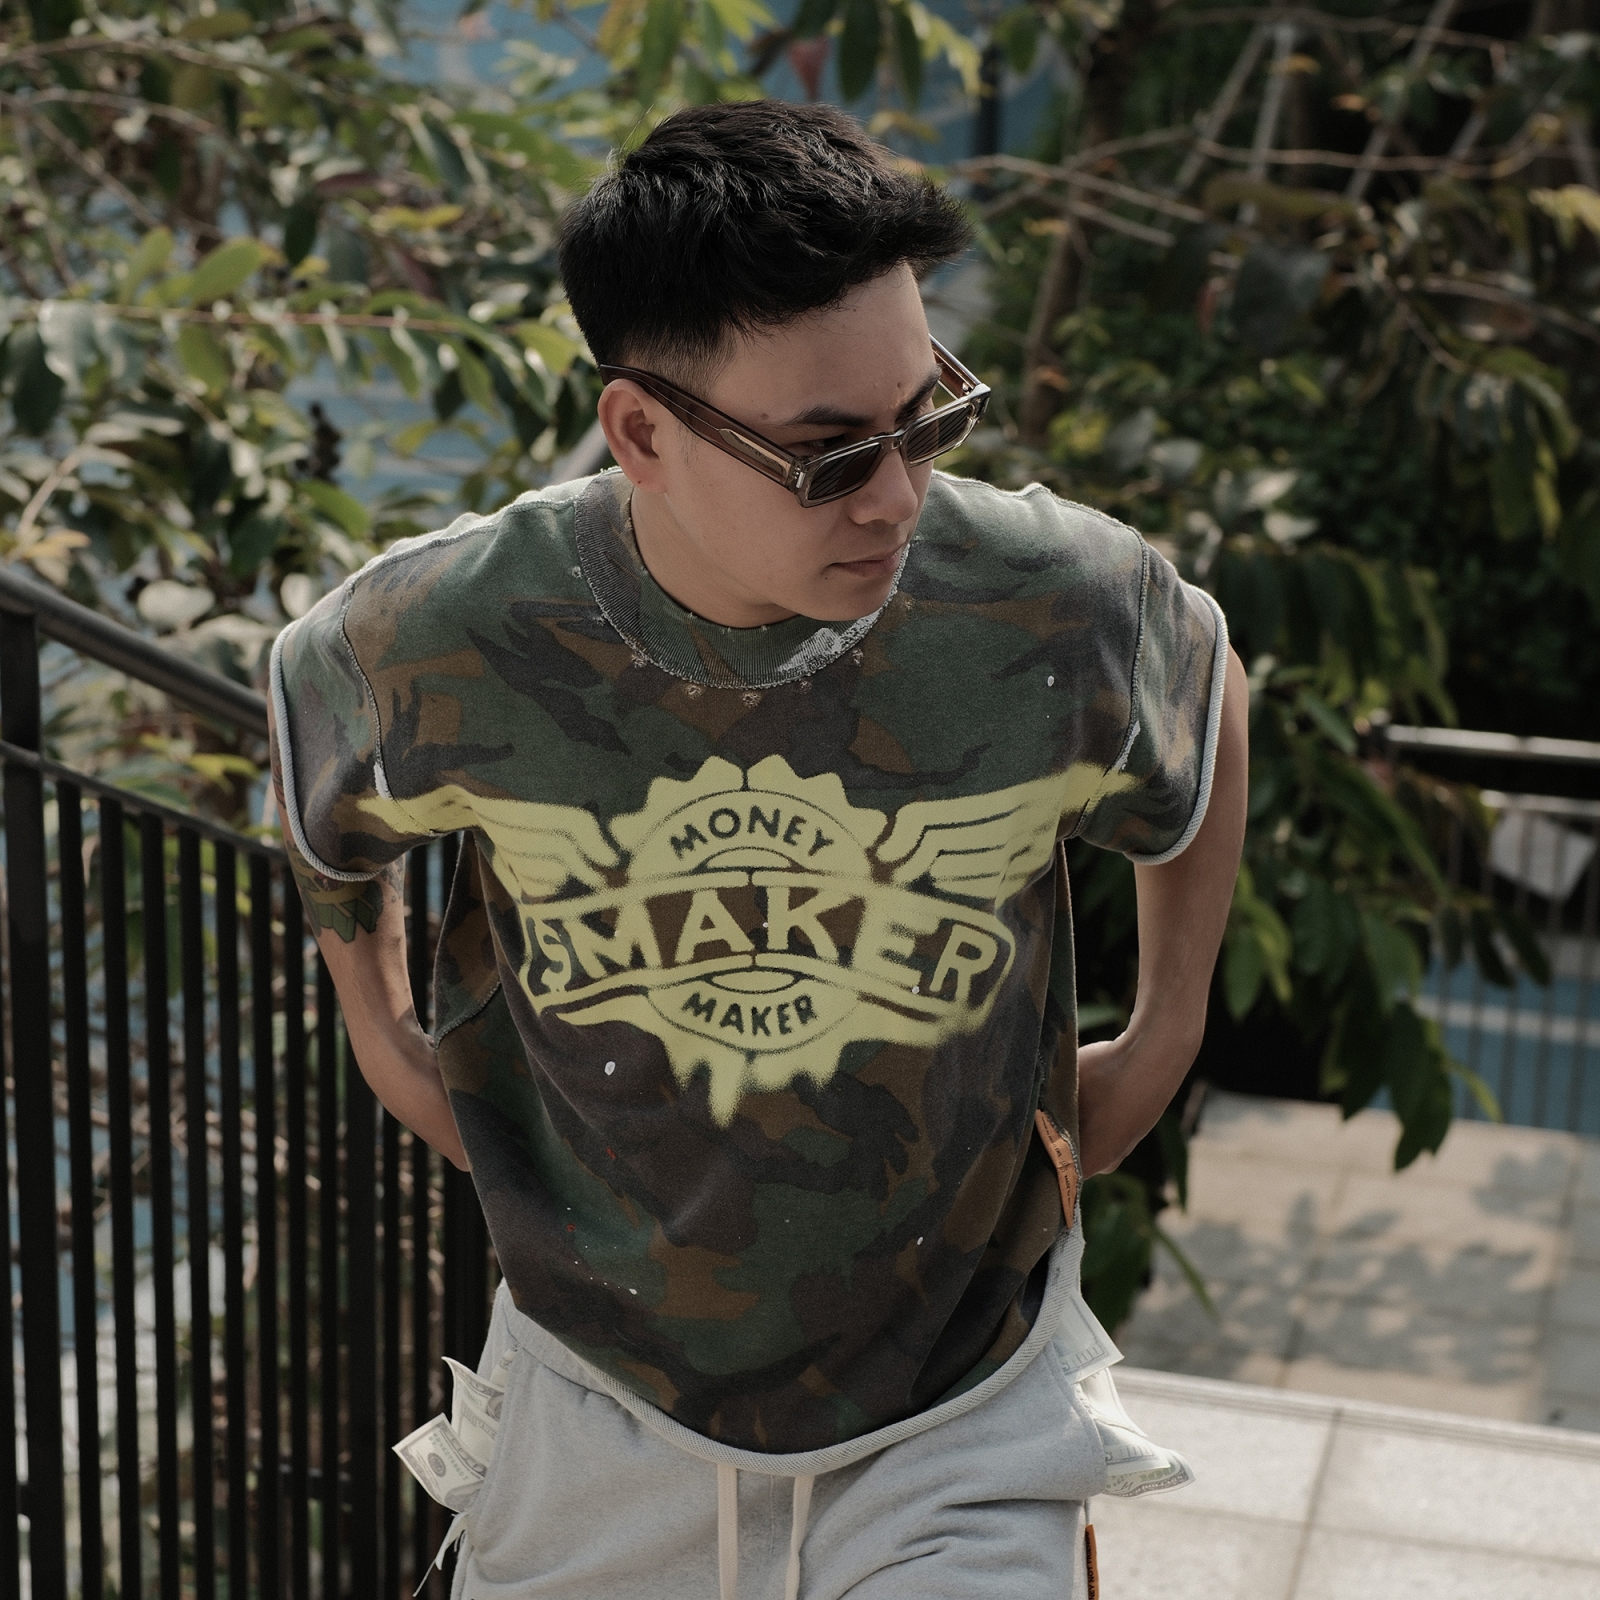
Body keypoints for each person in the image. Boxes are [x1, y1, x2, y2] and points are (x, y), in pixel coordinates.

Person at [269, 100, 1247, 1600]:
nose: (899, 495)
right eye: (829, 453)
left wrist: (1167, 1027)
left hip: (960, 1408)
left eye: (926, 417)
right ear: (642, 433)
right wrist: (382, 1032)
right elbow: (320, 756)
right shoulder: (448, 636)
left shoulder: (1046, 600)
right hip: (597, 1404)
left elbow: (1203, 674)